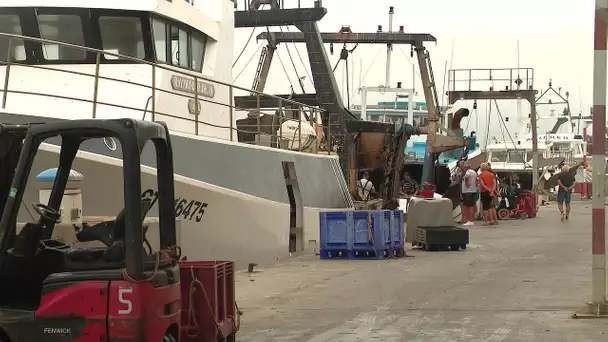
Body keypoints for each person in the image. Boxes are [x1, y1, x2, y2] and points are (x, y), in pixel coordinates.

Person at [460, 161, 478, 226]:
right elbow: (477, 180)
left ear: (465, 167)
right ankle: (471, 220)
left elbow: (467, 177)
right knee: (471, 205)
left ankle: (469, 220)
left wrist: (467, 184)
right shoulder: (474, 172)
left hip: (467, 191)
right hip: (473, 191)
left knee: (468, 206)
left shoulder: (468, 172)